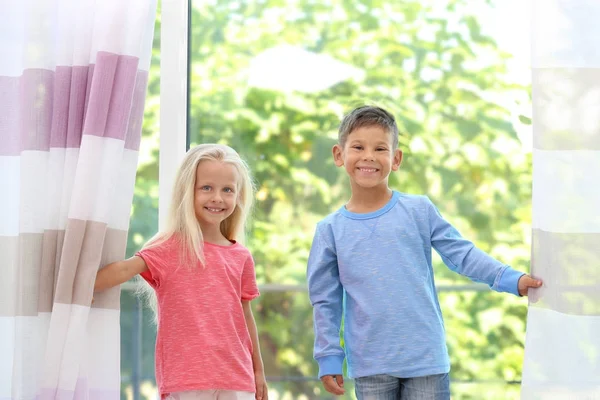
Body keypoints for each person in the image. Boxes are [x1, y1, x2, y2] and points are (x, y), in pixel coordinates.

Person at [306, 106, 542, 400]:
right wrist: (328, 357)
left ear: (396, 158)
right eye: (358, 147)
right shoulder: (330, 230)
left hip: (426, 359)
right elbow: (324, 300)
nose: (368, 155)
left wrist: (510, 278)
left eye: (380, 148)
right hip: (371, 364)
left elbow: (462, 254)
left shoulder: (419, 210)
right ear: (339, 155)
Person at [94, 144, 268, 400]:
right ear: (188, 191)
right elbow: (124, 269)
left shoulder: (240, 256)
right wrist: (80, 285)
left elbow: (245, 316)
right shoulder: (169, 248)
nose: (217, 197)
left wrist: (259, 371)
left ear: (238, 196)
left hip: (236, 376)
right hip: (186, 378)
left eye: (227, 190)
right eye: (207, 187)